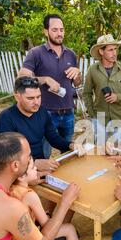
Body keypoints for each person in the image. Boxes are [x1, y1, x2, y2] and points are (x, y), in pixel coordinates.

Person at [10, 157, 93, 240]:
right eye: (33, 168)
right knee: (69, 229)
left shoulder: (12, 188)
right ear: (21, 176)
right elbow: (46, 225)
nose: (36, 170)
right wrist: (50, 215)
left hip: (15, 239)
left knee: (56, 217)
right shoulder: (30, 195)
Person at [18, 14, 82, 156]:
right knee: (43, 154)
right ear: (46, 31)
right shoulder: (36, 53)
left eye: (62, 29)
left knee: (67, 154)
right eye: (55, 30)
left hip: (68, 112)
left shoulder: (71, 54)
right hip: (45, 112)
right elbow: (22, 78)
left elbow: (77, 83)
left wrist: (78, 73)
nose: (59, 33)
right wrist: (45, 79)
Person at [0, 76, 76, 175]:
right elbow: (6, 156)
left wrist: (70, 145)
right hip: (18, 173)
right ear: (17, 97)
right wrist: (34, 163)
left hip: (41, 167)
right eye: (30, 98)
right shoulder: (5, 119)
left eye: (39, 97)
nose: (36, 102)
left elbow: (53, 138)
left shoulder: (42, 112)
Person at [83, 34, 121, 139]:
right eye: (110, 50)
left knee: (119, 150)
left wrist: (118, 97)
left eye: (115, 49)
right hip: (100, 119)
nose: (114, 53)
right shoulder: (92, 70)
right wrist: (93, 115)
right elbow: (86, 93)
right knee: (101, 151)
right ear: (101, 52)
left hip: (120, 117)